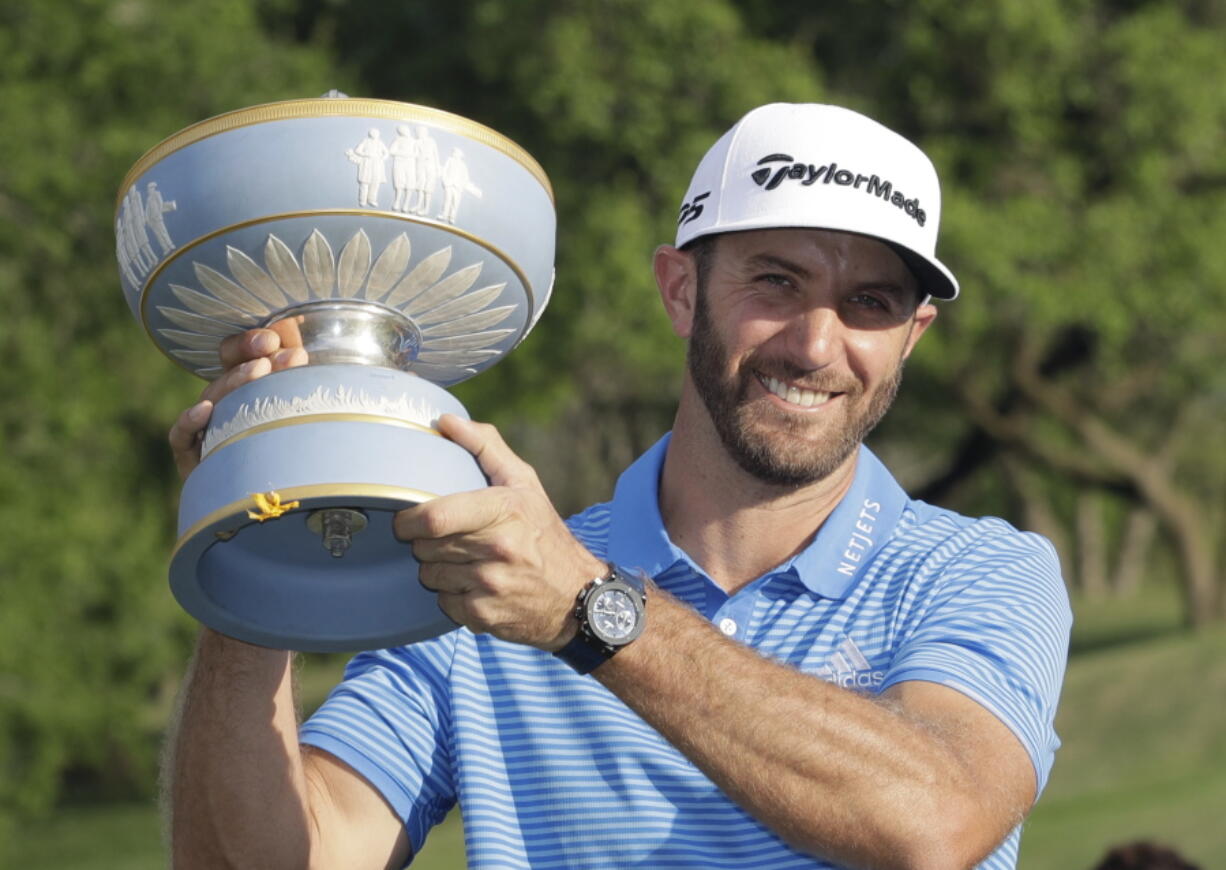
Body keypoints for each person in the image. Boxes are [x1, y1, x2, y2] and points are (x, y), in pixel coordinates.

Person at [165, 103, 1071, 869]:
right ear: (681, 291)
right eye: (776, 282)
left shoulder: (983, 571)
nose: (817, 344)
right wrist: (245, 551)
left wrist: (588, 611)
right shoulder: (490, 581)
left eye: (869, 303)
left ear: (912, 334)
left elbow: (938, 818)